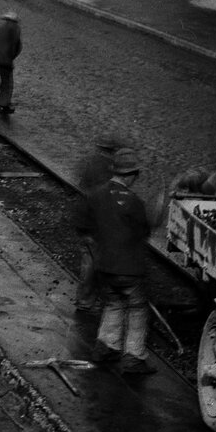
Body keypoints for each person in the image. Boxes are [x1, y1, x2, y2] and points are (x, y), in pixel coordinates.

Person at [90, 148, 155, 376]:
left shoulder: (97, 194)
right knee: (137, 309)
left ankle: (106, 346)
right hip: (128, 267)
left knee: (112, 303)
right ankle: (134, 357)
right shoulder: (133, 201)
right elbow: (143, 231)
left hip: (103, 265)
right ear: (130, 175)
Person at [73, 135, 122, 316]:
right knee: (92, 261)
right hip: (93, 223)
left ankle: (88, 299)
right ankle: (86, 301)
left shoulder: (91, 162)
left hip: (85, 219)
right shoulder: (107, 170)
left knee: (91, 259)